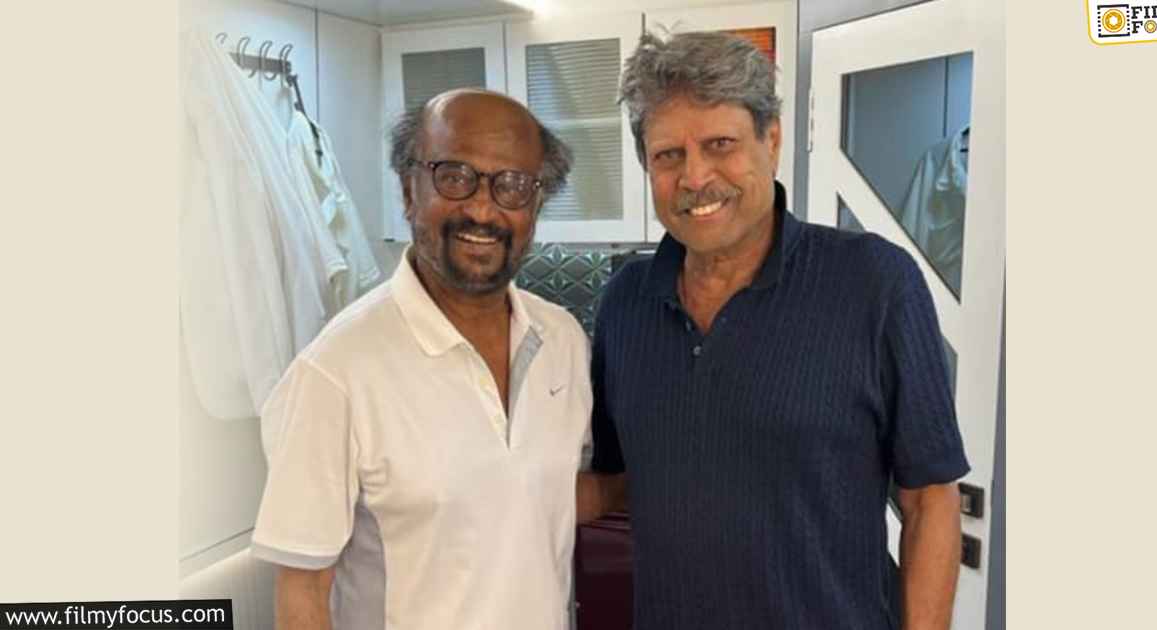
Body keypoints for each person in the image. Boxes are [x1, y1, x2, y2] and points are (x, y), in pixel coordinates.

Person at [577, 32, 970, 630]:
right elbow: (618, 481)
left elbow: (930, 499)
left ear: (773, 140)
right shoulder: (625, 301)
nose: (695, 177)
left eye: (720, 144)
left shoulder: (875, 283)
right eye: (669, 155)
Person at [252, 88, 592, 630]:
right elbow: (302, 594)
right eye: (454, 176)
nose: (482, 209)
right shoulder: (335, 372)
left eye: (512, 186)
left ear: (535, 207)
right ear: (409, 191)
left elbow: (538, 491)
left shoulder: (564, 340)